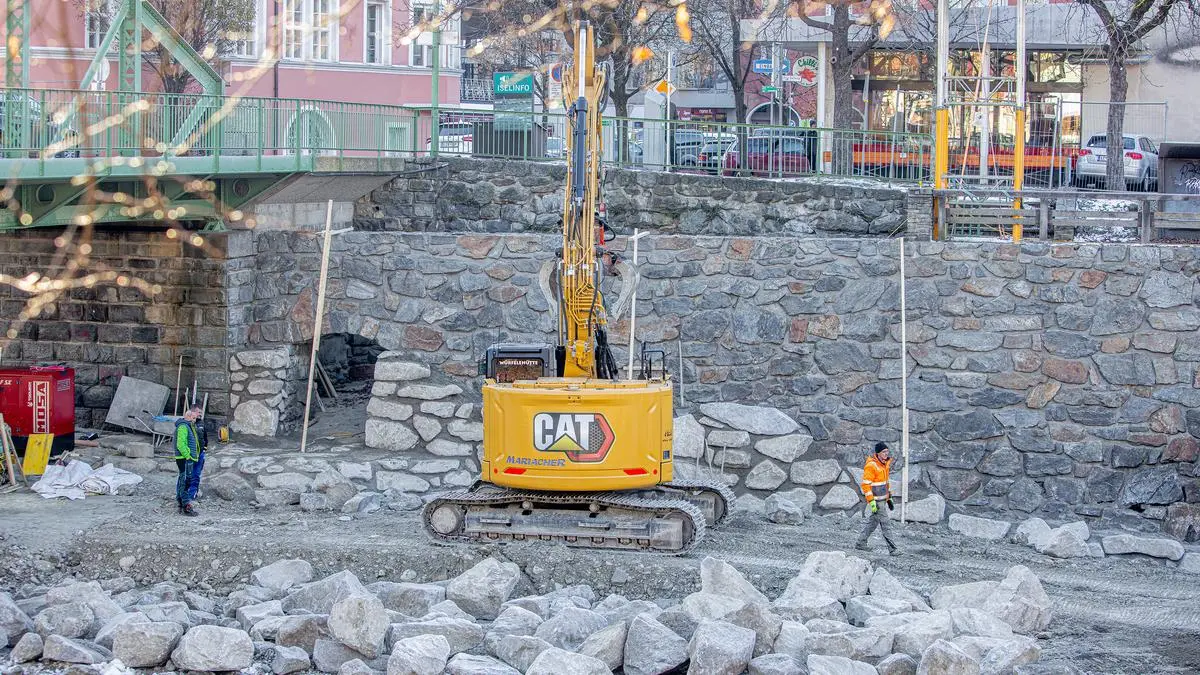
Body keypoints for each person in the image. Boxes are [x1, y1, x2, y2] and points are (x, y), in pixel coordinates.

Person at [855, 441, 901, 555]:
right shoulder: (872, 466)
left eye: (887, 451)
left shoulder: (884, 464)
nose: (886, 453)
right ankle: (893, 549)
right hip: (876, 501)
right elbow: (866, 485)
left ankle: (860, 543)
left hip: (882, 499)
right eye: (884, 451)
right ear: (878, 453)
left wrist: (889, 497)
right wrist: (871, 502)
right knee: (885, 524)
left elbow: (885, 483)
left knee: (873, 523)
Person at [174, 405, 204, 516]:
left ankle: (181, 501)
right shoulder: (183, 427)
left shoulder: (188, 426)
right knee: (185, 482)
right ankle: (186, 505)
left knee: (184, 480)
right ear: (189, 415)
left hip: (187, 458)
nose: (195, 419)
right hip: (185, 459)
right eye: (194, 417)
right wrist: (188, 456)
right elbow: (180, 444)